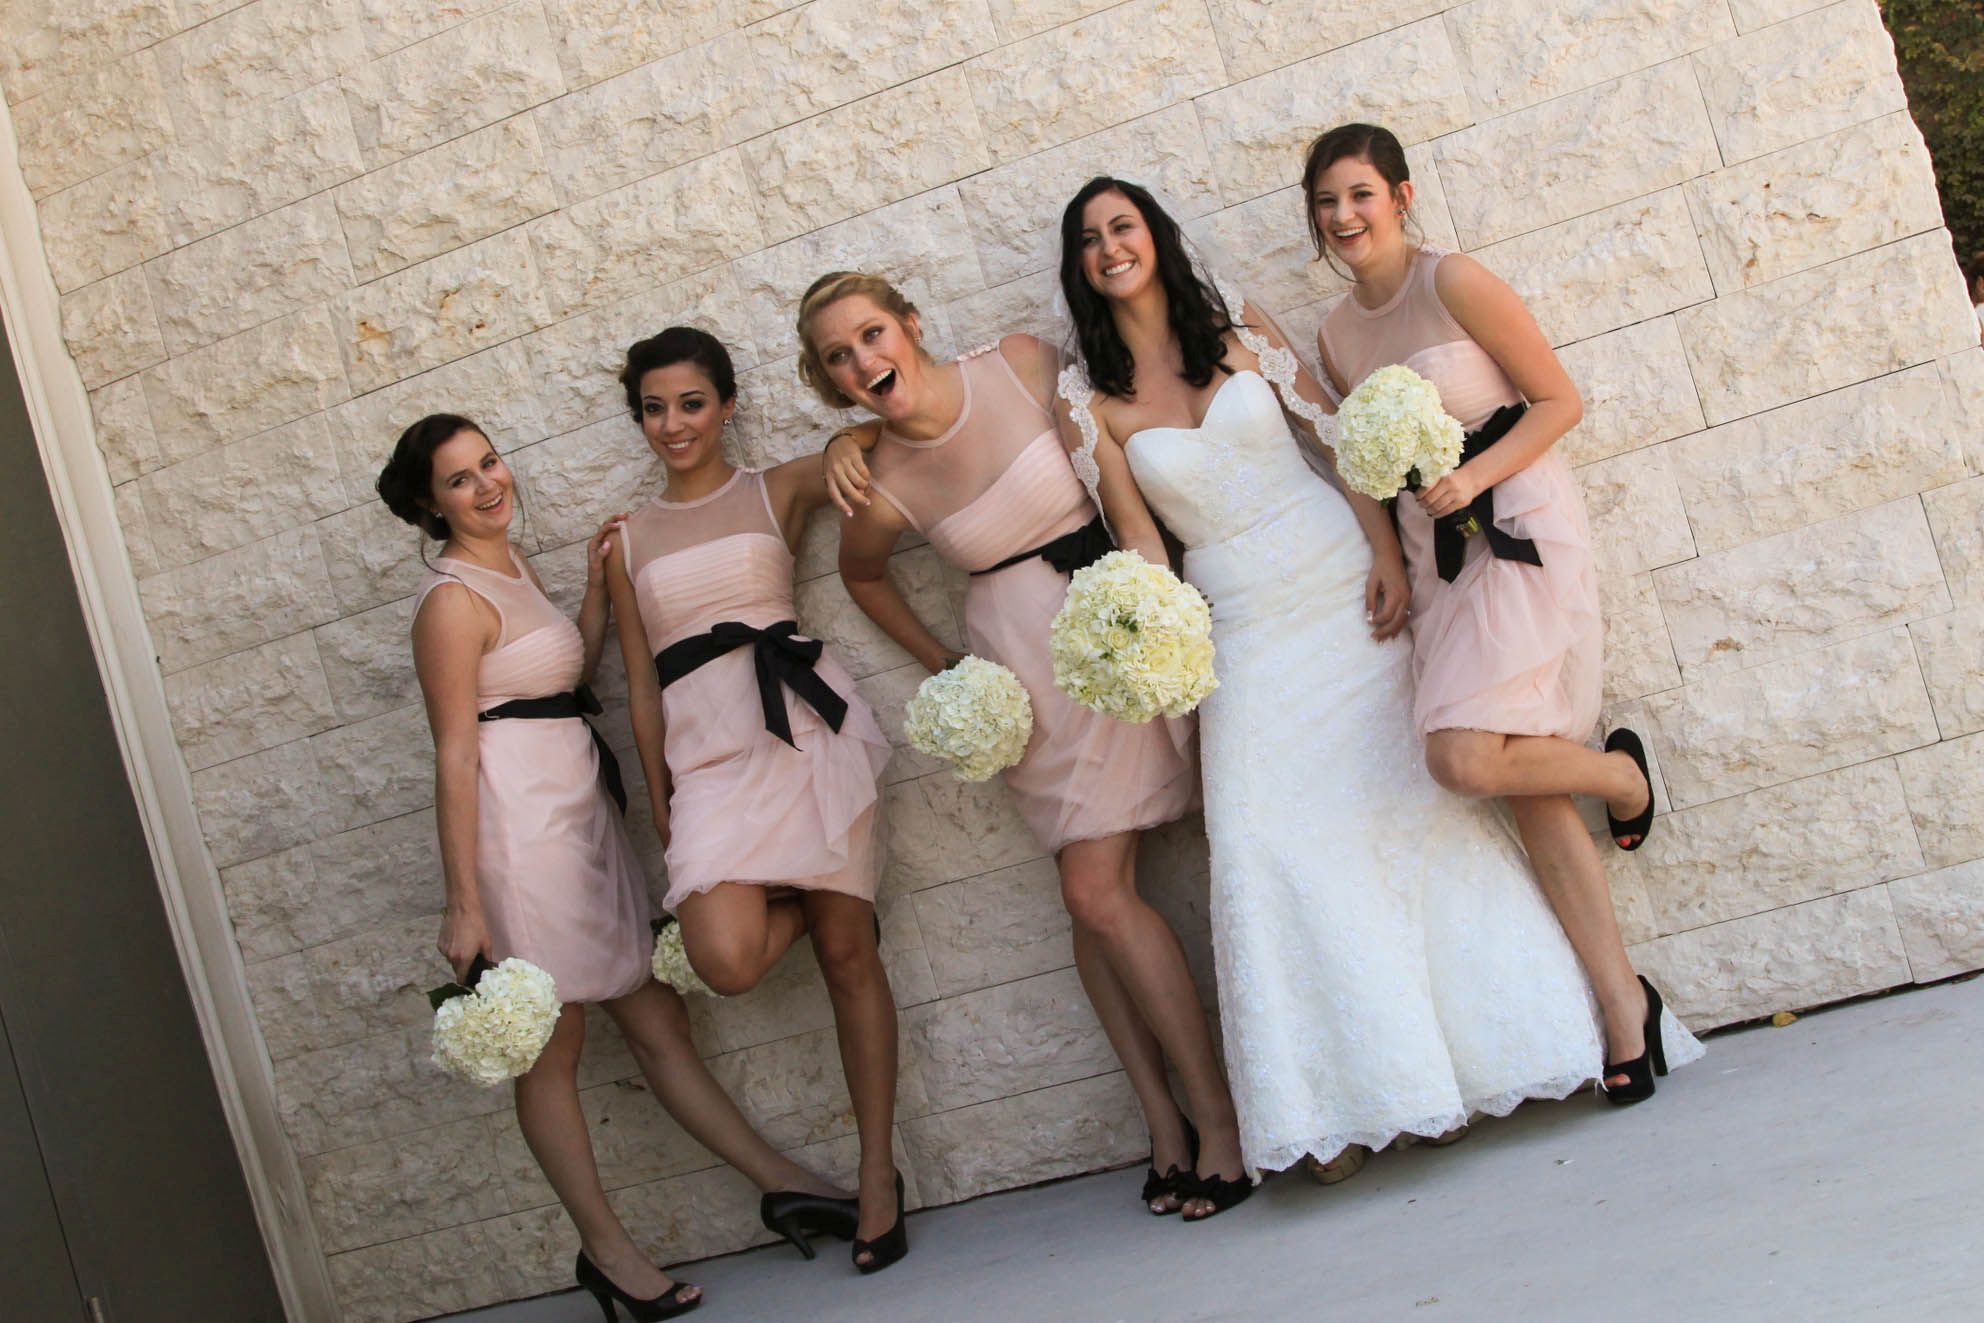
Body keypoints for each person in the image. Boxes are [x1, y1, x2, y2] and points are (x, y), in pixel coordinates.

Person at [1052, 176, 1672, 1186]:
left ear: (1155, 237)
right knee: (1261, 841)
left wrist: (1386, 554)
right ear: (1079, 267)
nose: (1110, 247)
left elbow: (1336, 445)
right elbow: (1137, 539)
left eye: (1122, 226)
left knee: (1406, 811)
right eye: (1089, 240)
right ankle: (1335, 1099)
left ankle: (1505, 1050)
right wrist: (1152, 642)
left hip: (1344, 589)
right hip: (1240, 630)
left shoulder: (1238, 324)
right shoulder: (1087, 396)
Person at [379, 415, 855, 1319]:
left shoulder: (509, 569)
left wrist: (597, 595)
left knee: (654, 1014)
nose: (487, 485)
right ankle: (609, 1253)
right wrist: (463, 904)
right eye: (458, 480)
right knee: (551, 1046)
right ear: (426, 504)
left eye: (489, 462)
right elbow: (453, 752)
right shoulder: (448, 602)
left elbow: (563, 675)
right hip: (518, 833)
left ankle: (785, 1181)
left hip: (578, 816)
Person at [806, 272, 1250, 1221]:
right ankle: (1171, 1126)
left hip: (1121, 618)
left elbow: (1114, 434)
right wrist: (949, 668)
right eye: (839, 356)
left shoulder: (1014, 364)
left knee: (1108, 890)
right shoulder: (875, 480)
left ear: (909, 324)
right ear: (830, 378)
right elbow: (863, 578)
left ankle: (1215, 1125)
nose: (863, 360)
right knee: (1088, 896)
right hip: (1027, 671)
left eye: (872, 333)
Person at [1307, 124, 1704, 1105]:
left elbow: (1557, 400)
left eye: (1359, 195)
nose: (1344, 217)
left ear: (1400, 196)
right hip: (1432, 556)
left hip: (1515, 522)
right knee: (1522, 784)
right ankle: (1625, 1007)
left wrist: (1473, 475)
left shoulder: (1456, 282)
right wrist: (1386, 556)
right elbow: (1356, 461)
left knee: (1462, 755)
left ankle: (1617, 774)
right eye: (1325, 203)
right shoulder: (1333, 334)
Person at [602, 328, 906, 1274]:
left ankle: (877, 1176)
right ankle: (807, 897)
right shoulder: (626, 539)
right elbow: (642, 684)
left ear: (726, 405)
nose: (673, 423)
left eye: (690, 403)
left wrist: (846, 445)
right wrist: (661, 798)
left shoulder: (773, 489)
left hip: (805, 733)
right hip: (712, 768)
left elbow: (870, 443)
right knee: (723, 956)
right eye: (654, 407)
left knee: (852, 954)